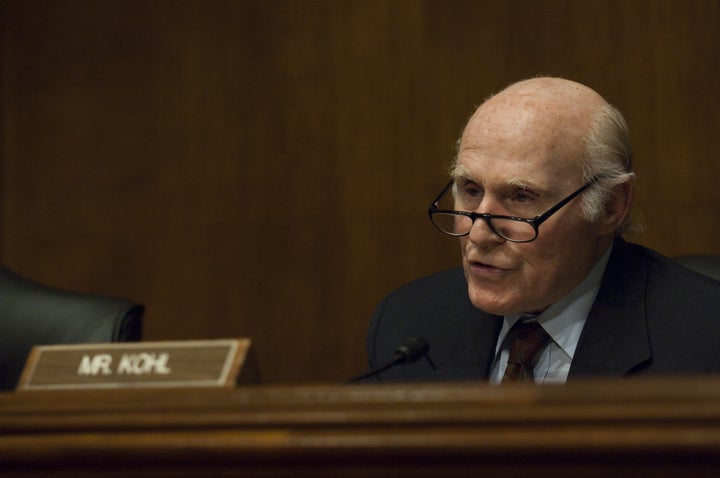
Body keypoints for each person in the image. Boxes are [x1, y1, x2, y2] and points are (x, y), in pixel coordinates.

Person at [365, 76, 720, 384]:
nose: (478, 235)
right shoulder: (408, 324)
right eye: (471, 190)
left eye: (521, 197)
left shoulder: (705, 340)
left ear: (610, 206)